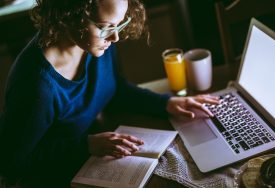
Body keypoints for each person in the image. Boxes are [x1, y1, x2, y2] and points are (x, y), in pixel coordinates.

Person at [0, 0, 219, 187]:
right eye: (105, 27)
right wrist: (86, 145)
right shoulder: (37, 86)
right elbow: (12, 165)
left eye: (120, 23)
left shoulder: (93, 42)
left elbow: (115, 90)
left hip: (92, 158)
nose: (115, 37)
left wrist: (167, 103)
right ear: (68, 16)